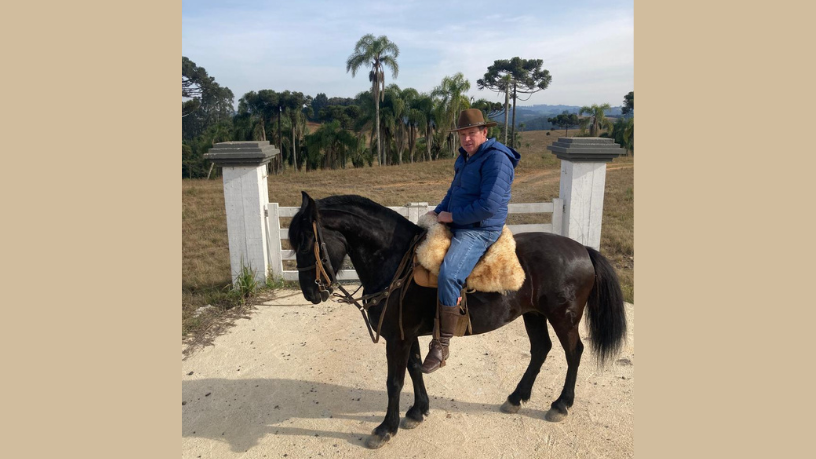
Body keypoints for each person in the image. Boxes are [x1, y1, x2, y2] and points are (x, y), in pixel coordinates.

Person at [421, 108, 521, 373]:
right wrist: (437, 210)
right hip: (461, 221)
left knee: (449, 274)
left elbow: (488, 206)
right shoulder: (466, 157)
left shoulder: (496, 160)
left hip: (479, 229)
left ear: (484, 132)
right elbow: (454, 192)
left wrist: (451, 217)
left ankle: (441, 346)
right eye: (463, 134)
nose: (466, 139)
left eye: (471, 133)